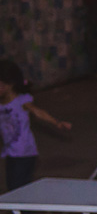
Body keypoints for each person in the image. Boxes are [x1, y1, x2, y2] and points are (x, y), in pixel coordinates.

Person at [0, 59, 71, 192]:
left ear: (9, 85)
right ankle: (23, 211)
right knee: (13, 187)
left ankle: (25, 212)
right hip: (11, 152)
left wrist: (57, 123)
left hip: (24, 153)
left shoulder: (22, 100)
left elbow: (38, 112)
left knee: (18, 188)